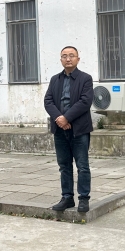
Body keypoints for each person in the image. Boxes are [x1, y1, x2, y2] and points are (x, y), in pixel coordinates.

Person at [44, 46, 93, 213]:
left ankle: (83, 198)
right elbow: (48, 101)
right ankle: (67, 197)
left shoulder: (85, 79)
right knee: (64, 165)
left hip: (79, 129)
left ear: (78, 59)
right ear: (61, 60)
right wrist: (59, 118)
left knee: (82, 165)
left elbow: (85, 102)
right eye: (64, 56)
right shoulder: (55, 79)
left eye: (71, 55)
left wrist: (67, 118)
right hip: (60, 129)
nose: (68, 59)